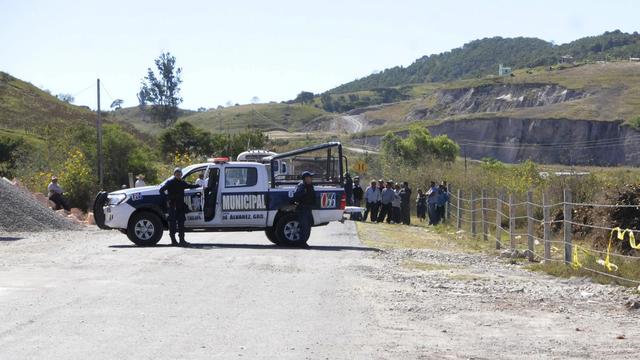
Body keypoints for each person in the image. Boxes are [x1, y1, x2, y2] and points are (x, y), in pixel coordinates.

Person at [159, 168, 199, 246]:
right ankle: (173, 241)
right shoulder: (170, 182)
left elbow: (190, 186)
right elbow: (161, 190)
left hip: (180, 206)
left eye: (179, 174)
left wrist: (199, 185)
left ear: (181, 175)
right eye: (177, 174)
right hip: (172, 206)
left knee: (181, 223)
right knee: (172, 224)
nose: (178, 175)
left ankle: (182, 240)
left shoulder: (182, 182)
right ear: (174, 174)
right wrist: (167, 199)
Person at [293, 171, 316, 245]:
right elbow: (296, 196)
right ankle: (302, 242)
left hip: (308, 208)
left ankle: (304, 241)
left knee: (308, 225)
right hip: (302, 209)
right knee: (304, 226)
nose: (310, 179)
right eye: (309, 177)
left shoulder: (310, 186)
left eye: (310, 178)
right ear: (305, 179)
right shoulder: (301, 186)